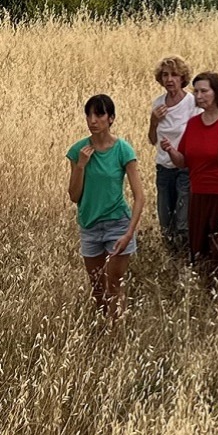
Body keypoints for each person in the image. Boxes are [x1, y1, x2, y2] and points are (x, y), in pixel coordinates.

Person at [66, 94, 145, 319]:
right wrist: (81, 166)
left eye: (99, 115)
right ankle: (101, 329)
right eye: (89, 115)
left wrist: (129, 233)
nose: (93, 120)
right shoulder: (78, 151)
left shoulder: (123, 150)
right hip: (89, 225)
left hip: (117, 224)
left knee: (114, 285)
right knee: (97, 287)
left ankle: (116, 331)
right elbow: (74, 196)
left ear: (111, 118)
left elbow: (140, 196)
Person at [160, 72, 218, 273]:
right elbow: (183, 162)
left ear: (217, 92)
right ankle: (202, 288)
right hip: (197, 195)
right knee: (199, 252)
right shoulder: (194, 123)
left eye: (204, 91)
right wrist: (170, 151)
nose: (199, 96)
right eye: (195, 91)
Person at [148, 55, 200, 249]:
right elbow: (152, 140)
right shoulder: (158, 104)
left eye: (174, 75)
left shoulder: (192, 103)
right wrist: (153, 121)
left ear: (182, 77)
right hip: (163, 168)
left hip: (185, 169)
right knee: (165, 219)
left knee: (182, 220)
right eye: (165, 75)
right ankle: (169, 257)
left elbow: (198, 136)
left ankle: (185, 258)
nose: (169, 79)